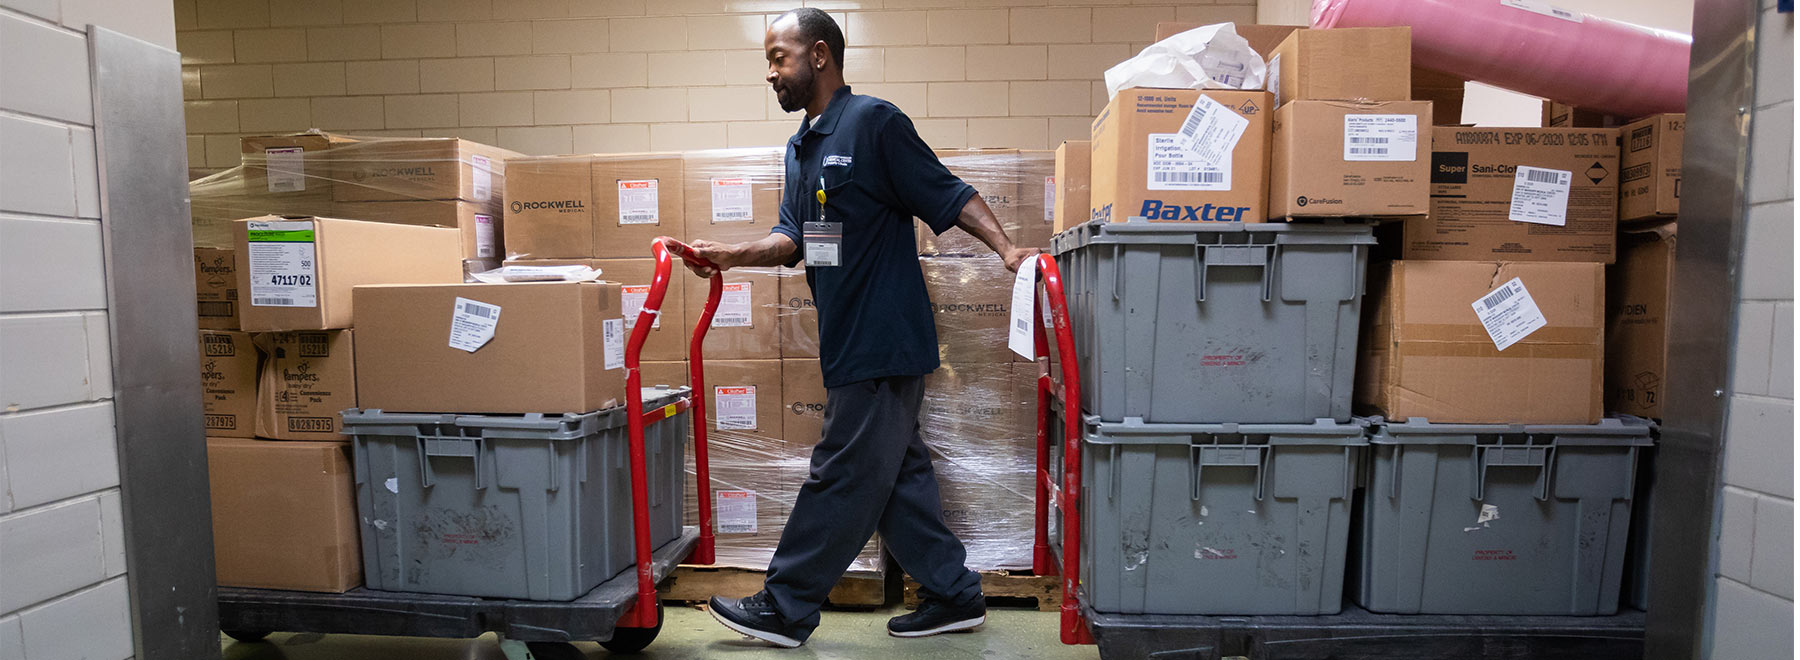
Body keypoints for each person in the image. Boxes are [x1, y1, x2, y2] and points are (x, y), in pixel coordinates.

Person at [668, 7, 1038, 649]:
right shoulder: (800, 146)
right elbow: (791, 239)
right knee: (897, 478)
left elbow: (949, 194)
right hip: (849, 341)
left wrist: (1008, 252)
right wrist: (730, 255)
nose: (770, 73)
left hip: (883, 337)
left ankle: (784, 607)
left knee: (840, 473)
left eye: (777, 57)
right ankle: (954, 595)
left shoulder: (874, 122)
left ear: (818, 55)